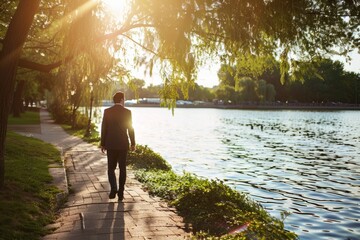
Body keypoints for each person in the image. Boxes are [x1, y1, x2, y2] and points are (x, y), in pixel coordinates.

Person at [101, 91, 136, 201]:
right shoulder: (127, 112)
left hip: (110, 144)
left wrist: (103, 143)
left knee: (111, 168)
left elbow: (104, 128)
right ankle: (120, 193)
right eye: (124, 99)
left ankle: (113, 189)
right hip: (123, 144)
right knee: (122, 168)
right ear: (122, 99)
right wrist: (133, 143)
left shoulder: (107, 111)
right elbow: (130, 128)